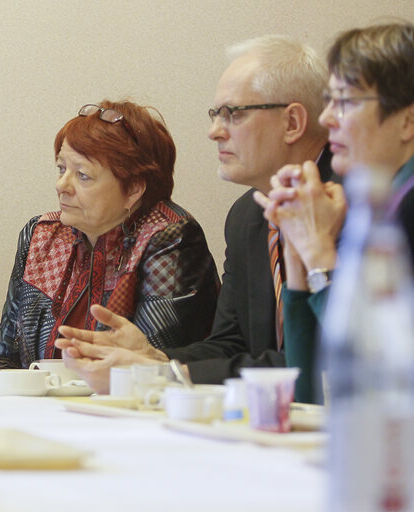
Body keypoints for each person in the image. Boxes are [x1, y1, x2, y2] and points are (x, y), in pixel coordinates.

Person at [55, 36, 333, 393]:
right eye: (215, 114)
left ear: (292, 122)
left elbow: (325, 363)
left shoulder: (360, 207)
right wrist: (155, 359)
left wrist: (167, 376)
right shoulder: (247, 215)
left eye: (234, 114)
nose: (214, 131)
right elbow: (230, 346)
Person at [0, 100, 220, 370]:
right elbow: (5, 359)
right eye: (62, 169)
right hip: (43, 410)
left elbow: (150, 363)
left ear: (133, 188)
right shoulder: (41, 236)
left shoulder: (169, 238)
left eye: (83, 175)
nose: (61, 185)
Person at [254, 22, 414, 403]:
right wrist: (296, 255)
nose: (326, 118)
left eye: (345, 101)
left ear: (407, 120)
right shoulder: (378, 202)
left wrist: (319, 255)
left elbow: (388, 377)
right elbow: (310, 399)